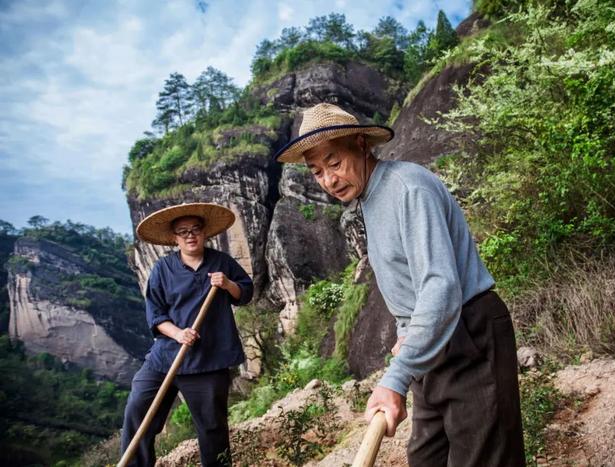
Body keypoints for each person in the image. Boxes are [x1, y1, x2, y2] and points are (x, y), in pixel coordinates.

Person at [274, 103, 525, 466]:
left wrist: (395, 378)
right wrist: (408, 332)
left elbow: (439, 285)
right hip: (428, 342)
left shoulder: (407, 188)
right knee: (426, 458)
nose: (329, 179)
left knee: (484, 457)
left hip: (469, 334)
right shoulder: (369, 200)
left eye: (334, 162)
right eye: (316, 172)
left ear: (360, 145)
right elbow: (408, 283)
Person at [120, 203, 253, 467]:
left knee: (212, 428)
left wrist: (227, 284)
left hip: (208, 360)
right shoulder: (162, 269)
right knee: (137, 412)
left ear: (204, 233)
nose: (190, 235)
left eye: (195, 229)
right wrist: (178, 334)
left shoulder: (221, 262)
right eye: (183, 232)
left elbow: (245, 293)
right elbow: (156, 316)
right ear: (174, 238)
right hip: (166, 357)